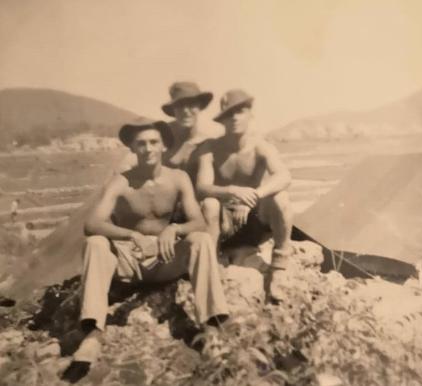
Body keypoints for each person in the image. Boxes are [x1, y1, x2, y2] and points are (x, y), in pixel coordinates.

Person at [70, 117, 229, 367]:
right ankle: (92, 335)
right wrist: (133, 235)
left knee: (200, 239)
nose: (148, 149)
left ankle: (211, 329)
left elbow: (199, 223)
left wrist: (173, 229)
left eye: (154, 142)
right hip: (130, 263)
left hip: (166, 260)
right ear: (132, 148)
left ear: (164, 146)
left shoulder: (178, 178)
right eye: (141, 144)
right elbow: (92, 224)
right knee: (95, 243)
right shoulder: (120, 181)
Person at [196, 89, 293, 302]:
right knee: (210, 204)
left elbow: (284, 175)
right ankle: (211, 268)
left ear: (251, 115)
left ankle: (279, 266)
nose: (235, 117)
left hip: (253, 221)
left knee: (280, 198)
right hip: (223, 225)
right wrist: (232, 191)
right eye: (230, 113)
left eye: (241, 111)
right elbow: (202, 187)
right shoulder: (210, 148)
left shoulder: (260, 146)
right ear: (222, 120)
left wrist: (254, 197)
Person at [119, 81, 214, 185]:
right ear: (173, 109)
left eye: (191, 104)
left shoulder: (206, 140)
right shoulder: (161, 133)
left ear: (199, 106)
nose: (186, 111)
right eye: (180, 105)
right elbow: (128, 161)